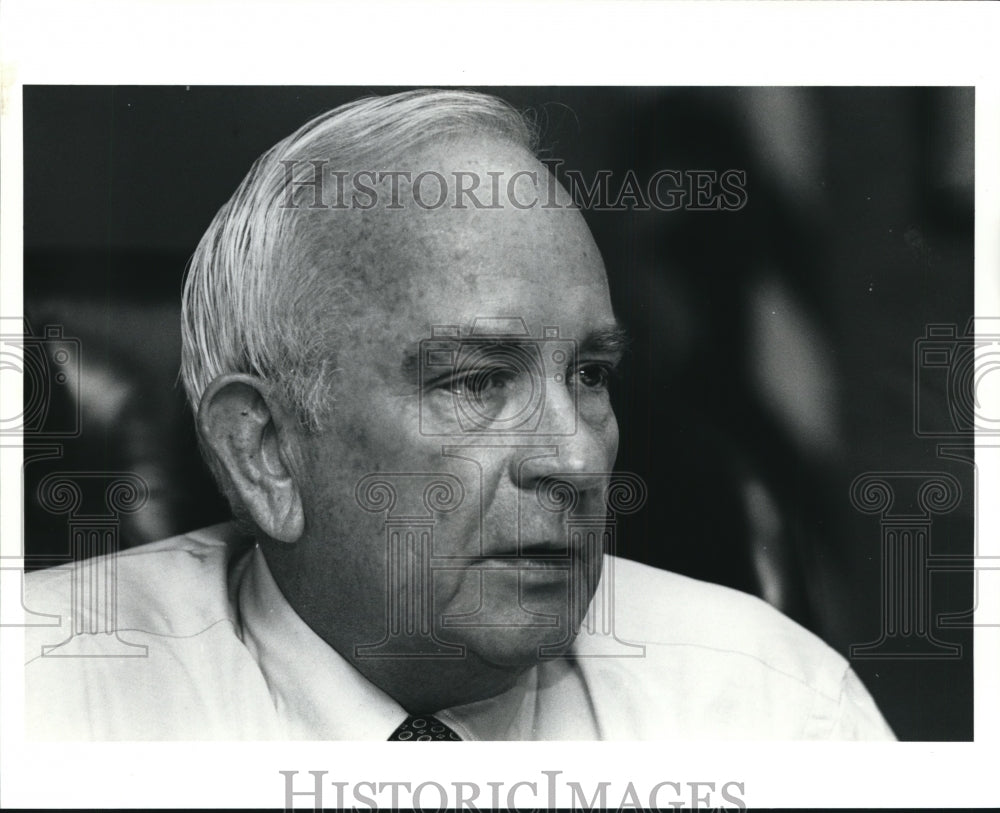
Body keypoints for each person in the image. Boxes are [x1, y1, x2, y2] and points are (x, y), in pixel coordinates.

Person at [24, 89, 894, 741]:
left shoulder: (775, 705)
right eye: (477, 382)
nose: (580, 459)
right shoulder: (38, 702)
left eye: (591, 372)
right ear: (267, 452)